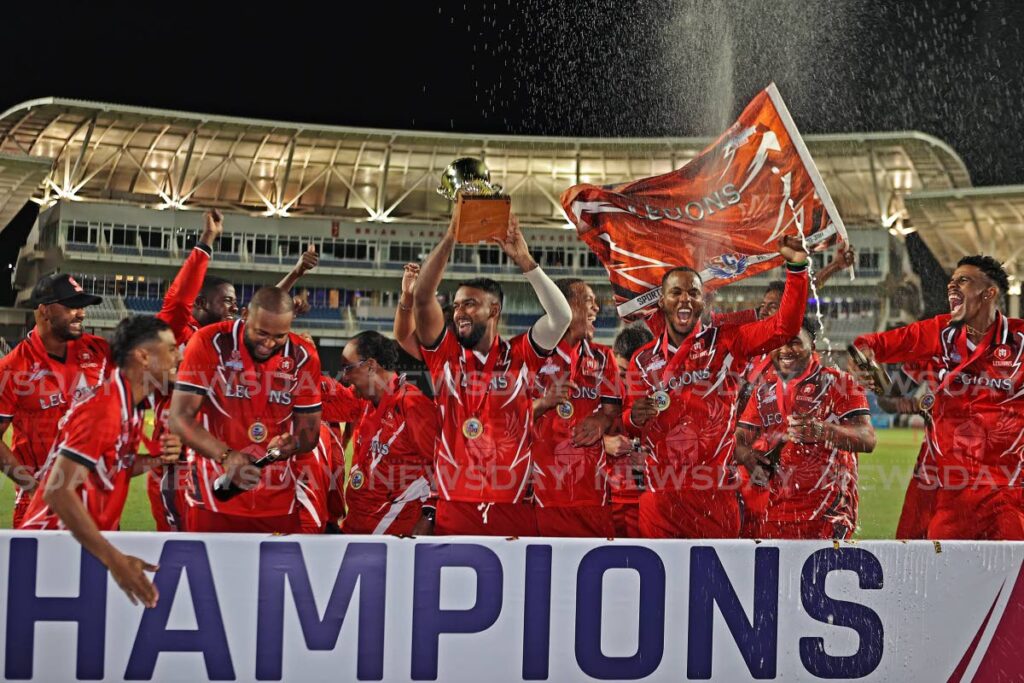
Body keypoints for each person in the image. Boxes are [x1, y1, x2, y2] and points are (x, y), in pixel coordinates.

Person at [622, 236, 810, 538]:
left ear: (703, 301)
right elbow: (628, 422)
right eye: (676, 292)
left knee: (714, 585)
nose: (685, 299)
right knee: (663, 585)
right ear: (662, 301)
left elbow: (783, 327)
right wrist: (634, 417)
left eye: (693, 293)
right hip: (661, 496)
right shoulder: (642, 361)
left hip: (715, 495)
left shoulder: (726, 341)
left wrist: (797, 268)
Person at [145, 212, 320, 531]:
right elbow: (181, 300)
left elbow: (263, 314)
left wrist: (294, 275)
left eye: (235, 304)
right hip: (181, 458)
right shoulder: (189, 336)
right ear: (202, 303)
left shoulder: (260, 339)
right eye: (226, 302)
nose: (233, 308)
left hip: (244, 469)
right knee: (181, 541)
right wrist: (206, 243)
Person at [412, 214, 571, 536]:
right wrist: (450, 237)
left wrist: (525, 261)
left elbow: (561, 316)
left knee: (514, 587)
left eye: (469, 304)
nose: (459, 312)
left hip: (512, 500)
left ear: (493, 310)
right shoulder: (445, 356)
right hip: (455, 498)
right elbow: (422, 297)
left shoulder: (522, 354)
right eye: (456, 306)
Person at [850, 255, 1024, 540]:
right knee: (933, 566)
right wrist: (867, 364)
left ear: (989, 292)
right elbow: (877, 358)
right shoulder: (939, 333)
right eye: (951, 281)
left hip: (1007, 489)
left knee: (1011, 575)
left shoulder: (1019, 341)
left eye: (963, 281)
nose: (952, 287)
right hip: (947, 486)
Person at [19, 316, 181, 608]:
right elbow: (57, 491)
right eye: (170, 348)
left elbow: (112, 467)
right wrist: (115, 561)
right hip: (53, 547)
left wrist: (156, 458)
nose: (178, 356)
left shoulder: (128, 406)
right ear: (143, 356)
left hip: (78, 545)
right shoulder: (105, 410)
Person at [168, 287, 322, 533]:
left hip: (278, 503)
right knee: (211, 572)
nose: (269, 343)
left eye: (279, 336)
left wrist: (293, 443)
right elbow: (179, 418)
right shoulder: (211, 342)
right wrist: (226, 456)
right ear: (245, 314)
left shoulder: (304, 356)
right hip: (213, 497)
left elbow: (310, 434)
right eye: (261, 333)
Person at [735, 319, 875, 539]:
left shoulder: (839, 382)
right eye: (779, 342)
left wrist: (822, 431)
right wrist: (748, 457)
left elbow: (867, 439)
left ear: (813, 346)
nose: (785, 350)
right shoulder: (763, 390)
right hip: (775, 513)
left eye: (794, 342)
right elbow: (740, 438)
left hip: (828, 514)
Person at [0, 273, 108, 528]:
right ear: (45, 310)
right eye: (71, 306)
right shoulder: (13, 368)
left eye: (82, 306)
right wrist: (33, 488)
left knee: (100, 567)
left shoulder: (100, 351)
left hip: (97, 499)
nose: (81, 314)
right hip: (41, 503)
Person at [531, 279, 620, 537]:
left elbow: (612, 410)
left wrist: (601, 422)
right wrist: (544, 402)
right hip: (543, 496)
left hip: (593, 495)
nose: (596, 309)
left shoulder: (604, 358)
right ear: (564, 307)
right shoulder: (531, 358)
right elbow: (508, 419)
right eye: (588, 301)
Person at [340, 331, 439, 535]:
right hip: (356, 527)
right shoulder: (362, 401)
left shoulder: (413, 406)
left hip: (393, 536)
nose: (345, 376)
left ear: (370, 365)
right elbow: (320, 396)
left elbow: (442, 467)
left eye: (348, 368)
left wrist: (429, 516)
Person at [604, 325, 654, 537]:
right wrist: (603, 443)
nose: (627, 384)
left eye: (636, 376)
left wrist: (652, 456)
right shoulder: (594, 384)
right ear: (613, 359)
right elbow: (560, 435)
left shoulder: (663, 389)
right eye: (623, 374)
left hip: (647, 500)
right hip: (606, 500)